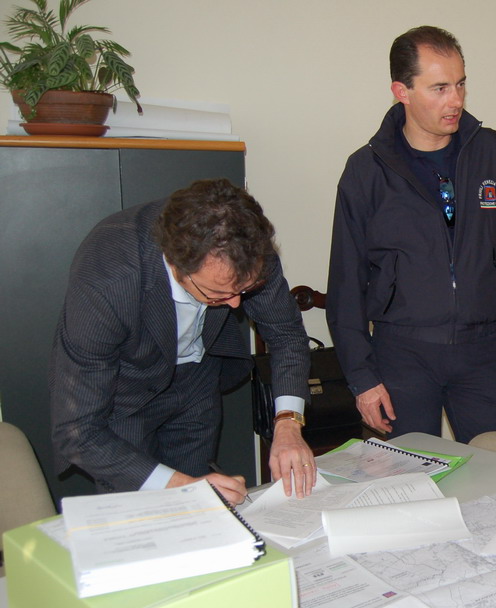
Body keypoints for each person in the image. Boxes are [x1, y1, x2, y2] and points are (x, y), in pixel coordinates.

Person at [326, 25, 496, 442]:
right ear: (401, 92)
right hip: (402, 353)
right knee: (409, 472)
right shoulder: (367, 171)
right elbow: (346, 281)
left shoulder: (493, 153)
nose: (455, 100)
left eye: (460, 84)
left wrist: (493, 284)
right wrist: (362, 378)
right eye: (439, 88)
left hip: (481, 350)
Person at [50, 178, 317, 504]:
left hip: (197, 379)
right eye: (218, 293)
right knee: (136, 508)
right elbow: (78, 431)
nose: (236, 305)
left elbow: (286, 334)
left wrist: (288, 424)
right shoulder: (110, 278)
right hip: (123, 392)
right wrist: (182, 485)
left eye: (244, 291)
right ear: (177, 265)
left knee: (197, 508)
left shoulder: (248, 246)